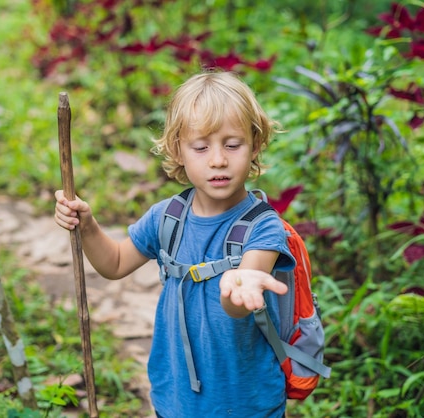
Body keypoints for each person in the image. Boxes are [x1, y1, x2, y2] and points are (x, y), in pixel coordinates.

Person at [54, 71, 295, 417]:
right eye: (200, 147)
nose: (217, 160)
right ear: (177, 149)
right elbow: (115, 264)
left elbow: (240, 304)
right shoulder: (168, 217)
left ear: (255, 145)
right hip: (176, 399)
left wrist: (237, 286)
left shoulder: (263, 227)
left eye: (232, 144)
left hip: (246, 403)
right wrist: (88, 225)